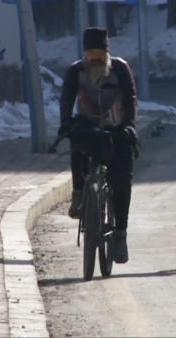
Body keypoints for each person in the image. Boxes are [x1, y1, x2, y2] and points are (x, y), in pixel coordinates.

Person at [58, 27, 138, 264]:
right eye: (91, 52)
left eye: (99, 52)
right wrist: (65, 123)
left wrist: (130, 125)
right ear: (85, 53)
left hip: (117, 130)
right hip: (88, 127)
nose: (95, 57)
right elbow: (66, 98)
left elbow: (131, 98)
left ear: (107, 53)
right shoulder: (76, 71)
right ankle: (79, 194)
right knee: (77, 142)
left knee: (122, 181)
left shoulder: (120, 69)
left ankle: (120, 234)